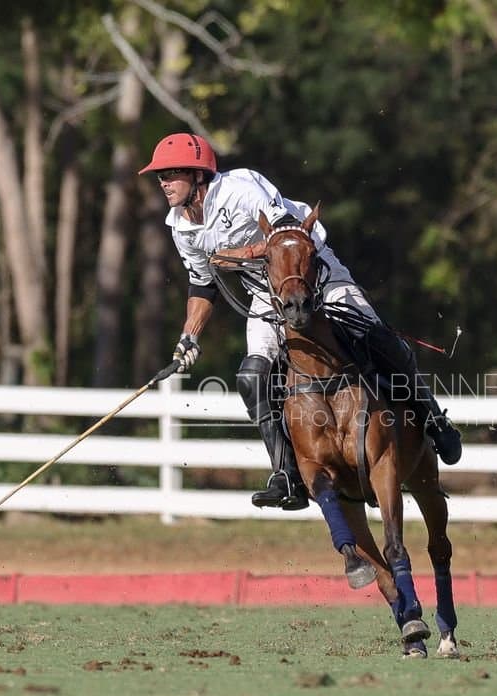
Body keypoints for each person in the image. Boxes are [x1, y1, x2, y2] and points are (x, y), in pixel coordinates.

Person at [138, 132, 462, 510]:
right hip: (269, 296)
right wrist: (189, 337)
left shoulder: (241, 188)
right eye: (160, 175)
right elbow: (202, 285)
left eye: (171, 173)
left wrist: (236, 254)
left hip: (315, 276)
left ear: (198, 176)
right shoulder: (179, 225)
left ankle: (432, 418)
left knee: (385, 343)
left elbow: (288, 234)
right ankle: (286, 473)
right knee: (250, 377)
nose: (162, 182)